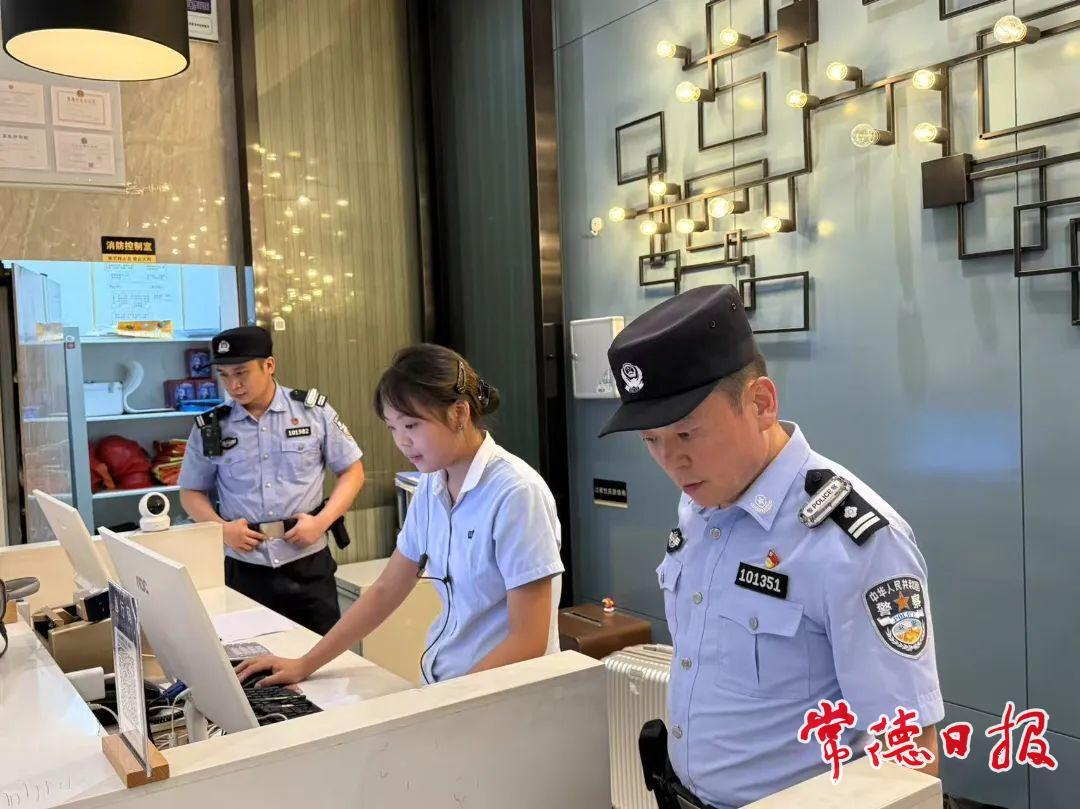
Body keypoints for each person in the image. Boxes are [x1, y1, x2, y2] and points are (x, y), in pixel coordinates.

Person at [599, 285, 943, 809]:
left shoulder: (853, 542)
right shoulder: (701, 504)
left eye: (687, 434)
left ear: (760, 403)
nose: (671, 462)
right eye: (651, 441)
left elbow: (908, 753)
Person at [235, 344, 564, 687]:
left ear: (459, 414)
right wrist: (305, 664)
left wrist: (451, 702)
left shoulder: (516, 493)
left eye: (411, 425)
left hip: (503, 695)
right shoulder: (431, 485)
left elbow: (529, 640)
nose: (402, 442)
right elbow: (386, 589)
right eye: (392, 428)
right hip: (446, 682)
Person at [178, 326, 365, 635]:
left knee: (322, 654)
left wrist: (322, 522)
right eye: (224, 375)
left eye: (241, 372)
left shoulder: (313, 412)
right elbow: (191, 492)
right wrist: (222, 529)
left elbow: (353, 471)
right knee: (250, 658)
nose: (233, 385)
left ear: (269, 365)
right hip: (245, 566)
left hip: (307, 561)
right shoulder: (211, 427)